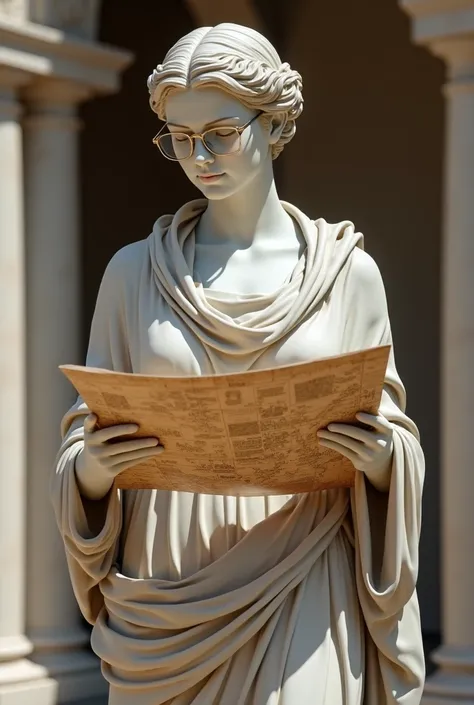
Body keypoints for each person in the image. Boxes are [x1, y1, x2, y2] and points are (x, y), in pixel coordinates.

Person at [52, 22, 425, 705]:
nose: (200, 157)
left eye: (219, 134)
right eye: (181, 139)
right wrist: (92, 471)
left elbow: (396, 437)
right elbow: (83, 433)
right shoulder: (132, 275)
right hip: (169, 584)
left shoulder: (349, 277)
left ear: (275, 123)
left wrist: (380, 461)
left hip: (301, 571)